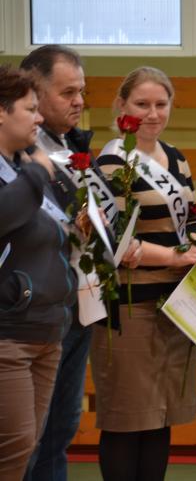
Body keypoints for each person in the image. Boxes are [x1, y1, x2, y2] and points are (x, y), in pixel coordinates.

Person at [20, 44, 141, 481]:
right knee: (27, 437)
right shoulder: (17, 153)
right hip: (31, 310)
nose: (79, 101)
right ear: (34, 91)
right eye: (68, 92)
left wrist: (117, 237)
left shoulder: (73, 144)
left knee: (61, 427)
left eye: (82, 91)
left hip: (79, 302)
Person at [94, 66, 196, 481]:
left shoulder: (177, 158)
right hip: (129, 309)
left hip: (173, 307)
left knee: (161, 418)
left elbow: (191, 221)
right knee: (127, 420)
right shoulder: (111, 163)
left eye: (161, 104)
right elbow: (114, 242)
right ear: (121, 106)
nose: (153, 113)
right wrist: (175, 257)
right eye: (142, 104)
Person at [0, 65, 75, 479]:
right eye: (30, 109)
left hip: (46, 330)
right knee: (12, 450)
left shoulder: (23, 166)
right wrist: (36, 172)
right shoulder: (30, 171)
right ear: (1, 112)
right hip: (9, 335)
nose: (40, 117)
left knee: (26, 449)